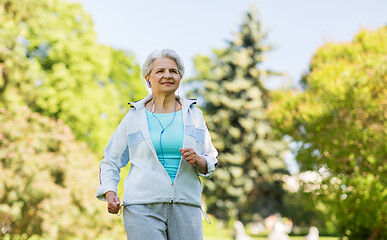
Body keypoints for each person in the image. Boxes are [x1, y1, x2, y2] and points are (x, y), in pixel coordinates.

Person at [96, 49, 218, 240]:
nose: (167, 75)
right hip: (142, 206)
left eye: (173, 71)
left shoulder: (194, 115)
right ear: (148, 79)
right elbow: (110, 160)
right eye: (160, 71)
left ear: (179, 78)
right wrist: (110, 192)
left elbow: (211, 159)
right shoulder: (134, 116)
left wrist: (199, 160)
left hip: (186, 205)